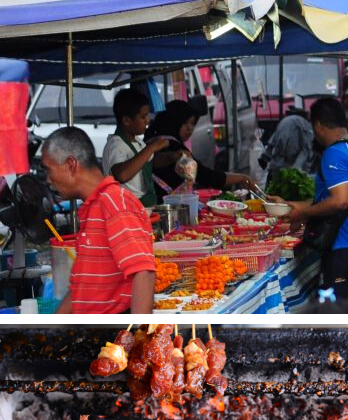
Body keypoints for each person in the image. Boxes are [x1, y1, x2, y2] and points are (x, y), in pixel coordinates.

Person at [43, 127, 156, 314]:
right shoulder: (93, 206)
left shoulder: (114, 203)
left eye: (49, 170)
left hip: (113, 335)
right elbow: (84, 290)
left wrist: (138, 337)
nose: (48, 180)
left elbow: (143, 272)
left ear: (71, 164)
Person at [273, 97, 348, 300]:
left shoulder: (333, 153)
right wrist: (293, 206)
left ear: (318, 125)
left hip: (342, 245)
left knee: (339, 311)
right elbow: (328, 197)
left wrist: (304, 212)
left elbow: (340, 201)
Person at [145, 100, 255, 201]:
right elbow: (205, 176)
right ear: (174, 120)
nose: (190, 128)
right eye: (186, 123)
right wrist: (241, 178)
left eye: (192, 123)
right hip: (163, 205)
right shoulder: (172, 145)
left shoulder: (150, 140)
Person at [102, 88, 170, 209]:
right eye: (143, 117)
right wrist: (152, 147)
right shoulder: (116, 145)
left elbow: (149, 162)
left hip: (145, 209)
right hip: (127, 212)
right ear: (127, 120)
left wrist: (173, 157)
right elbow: (122, 175)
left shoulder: (138, 142)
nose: (147, 120)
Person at [264, 107, 314, 183]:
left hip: (277, 163)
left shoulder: (284, 121)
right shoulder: (305, 124)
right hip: (288, 163)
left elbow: (271, 142)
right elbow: (306, 149)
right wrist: (295, 171)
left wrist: (265, 156)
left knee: (272, 189)